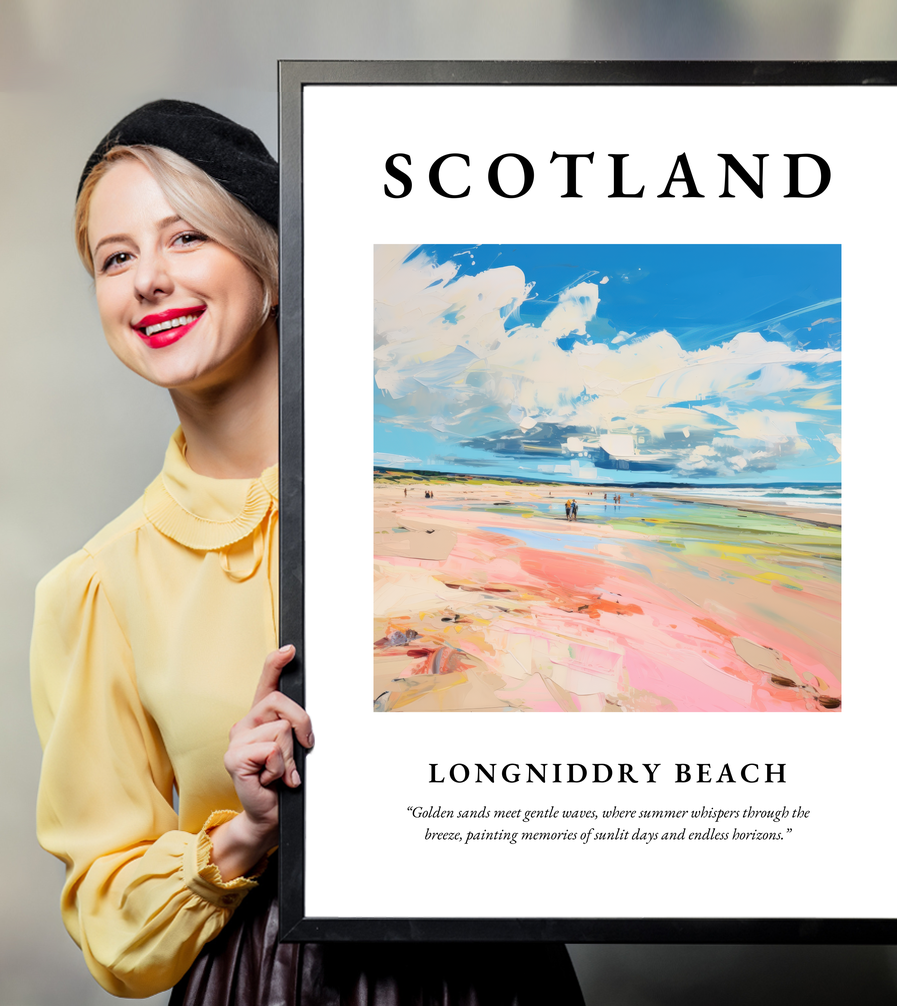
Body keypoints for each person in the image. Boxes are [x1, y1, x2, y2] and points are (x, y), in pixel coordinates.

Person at [30, 100, 585, 1004]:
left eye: (186, 239)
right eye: (116, 257)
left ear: (273, 265)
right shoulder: (97, 587)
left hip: (492, 973)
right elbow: (110, 924)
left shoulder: (446, 507)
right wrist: (245, 832)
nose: (148, 281)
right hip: (262, 981)